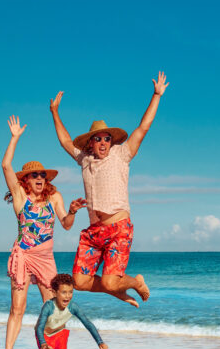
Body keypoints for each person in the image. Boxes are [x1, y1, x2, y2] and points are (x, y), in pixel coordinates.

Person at [47, 72, 169, 307]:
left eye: (106, 138)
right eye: (98, 139)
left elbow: (143, 128)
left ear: (111, 141)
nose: (103, 142)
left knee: (111, 282)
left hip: (118, 228)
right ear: (90, 142)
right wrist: (54, 112)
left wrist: (156, 95)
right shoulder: (84, 159)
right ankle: (116, 289)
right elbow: (65, 142)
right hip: (94, 232)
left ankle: (133, 283)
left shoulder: (122, 154)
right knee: (79, 282)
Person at [0, 115, 87, 349]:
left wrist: (72, 211)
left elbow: (67, 225)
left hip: (46, 259)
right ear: (25, 180)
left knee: (55, 311)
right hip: (24, 257)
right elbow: (6, 165)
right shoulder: (20, 197)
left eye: (42, 175)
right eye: (34, 175)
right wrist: (14, 138)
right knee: (18, 309)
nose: (39, 178)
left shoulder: (54, 197)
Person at [35, 273, 108, 349]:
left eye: (70, 292)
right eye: (64, 292)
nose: (68, 296)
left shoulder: (73, 307)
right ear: (54, 293)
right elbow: (39, 327)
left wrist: (99, 341)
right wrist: (42, 342)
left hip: (60, 332)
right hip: (44, 334)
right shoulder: (49, 306)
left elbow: (87, 323)